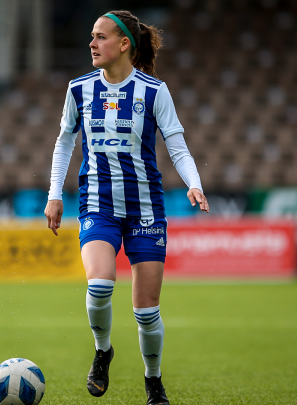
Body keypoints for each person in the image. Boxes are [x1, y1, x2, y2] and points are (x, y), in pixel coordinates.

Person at [43, 10, 209, 405]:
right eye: (91, 36)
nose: (92, 43)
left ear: (123, 46)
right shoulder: (79, 89)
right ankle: (103, 352)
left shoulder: (154, 91)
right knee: (99, 284)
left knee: (146, 312)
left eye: (100, 37)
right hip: (97, 203)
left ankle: (153, 380)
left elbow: (177, 144)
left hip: (146, 209)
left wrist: (195, 184)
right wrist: (54, 193)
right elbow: (64, 141)